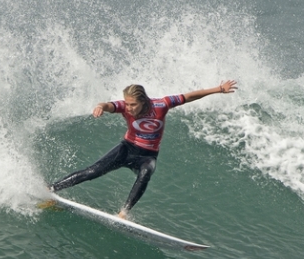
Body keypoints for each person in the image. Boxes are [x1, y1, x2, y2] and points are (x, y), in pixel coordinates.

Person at [49, 80, 238, 218]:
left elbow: (189, 96)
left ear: (144, 100)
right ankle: (52, 188)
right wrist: (100, 106)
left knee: (146, 173)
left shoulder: (161, 105)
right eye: (127, 103)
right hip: (127, 148)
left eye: (133, 104)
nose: (129, 108)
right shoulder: (124, 106)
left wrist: (219, 89)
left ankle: (123, 213)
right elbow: (109, 105)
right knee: (93, 171)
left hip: (148, 155)